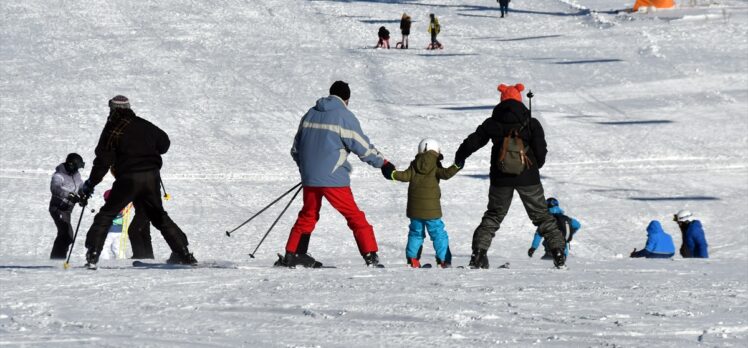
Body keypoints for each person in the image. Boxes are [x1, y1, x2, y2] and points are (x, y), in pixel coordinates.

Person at [277, 81, 392, 268]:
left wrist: (307, 170)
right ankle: (370, 255)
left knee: (308, 214)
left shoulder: (310, 114)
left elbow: (296, 149)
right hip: (333, 178)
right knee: (354, 216)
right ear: (346, 99)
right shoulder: (343, 115)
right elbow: (361, 146)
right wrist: (384, 164)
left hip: (310, 178)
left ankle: (294, 253)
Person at [454, 83, 567, 268]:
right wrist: (534, 166)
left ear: (502, 101)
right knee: (542, 216)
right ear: (520, 100)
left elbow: (473, 141)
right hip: (528, 177)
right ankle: (558, 253)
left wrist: (460, 157)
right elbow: (541, 150)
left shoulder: (493, 122)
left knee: (493, 216)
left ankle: (478, 254)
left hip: (501, 177)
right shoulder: (531, 122)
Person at [77, 95, 196, 269]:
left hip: (129, 178)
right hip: (151, 177)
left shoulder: (112, 130)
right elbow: (164, 144)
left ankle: (93, 254)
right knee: (159, 216)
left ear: (112, 109)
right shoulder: (144, 124)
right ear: (128, 107)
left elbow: (103, 161)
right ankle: (184, 254)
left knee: (107, 215)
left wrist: (90, 184)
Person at [384, 139, 460, 268]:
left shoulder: (415, 164)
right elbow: (446, 174)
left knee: (416, 233)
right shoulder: (436, 164)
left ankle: (413, 259)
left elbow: (404, 176)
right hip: (432, 210)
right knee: (438, 233)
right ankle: (443, 260)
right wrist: (457, 165)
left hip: (415, 209)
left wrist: (391, 173)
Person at [49, 153, 85, 259]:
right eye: (77, 167)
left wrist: (84, 192)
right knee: (66, 234)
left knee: (66, 235)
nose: (78, 169)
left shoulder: (76, 174)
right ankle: (57, 259)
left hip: (67, 210)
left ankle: (58, 257)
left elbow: (80, 186)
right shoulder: (58, 175)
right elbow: (55, 188)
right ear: (71, 165)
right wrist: (69, 195)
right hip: (58, 208)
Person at [100, 189, 126, 260]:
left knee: (104, 246)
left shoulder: (109, 208)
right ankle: (121, 258)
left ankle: (104, 259)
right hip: (119, 231)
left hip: (110, 230)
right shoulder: (121, 207)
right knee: (117, 247)